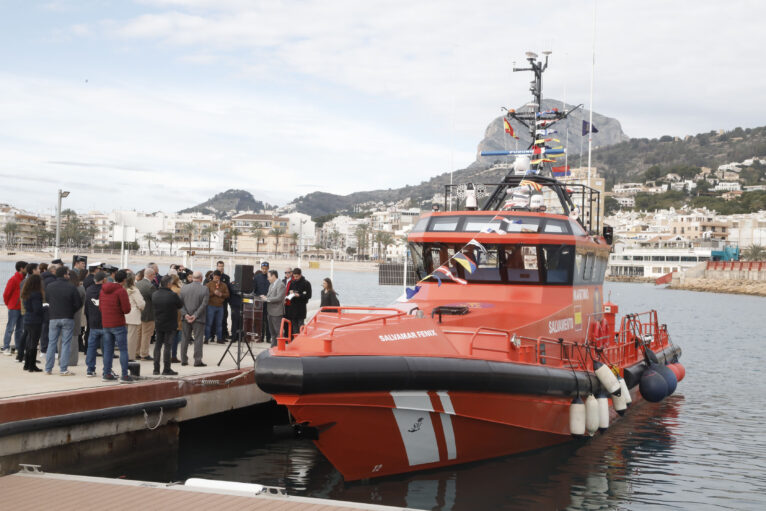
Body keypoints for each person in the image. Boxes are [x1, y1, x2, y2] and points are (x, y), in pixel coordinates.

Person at [44, 266, 82, 376]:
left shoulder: (50, 286)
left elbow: (47, 299)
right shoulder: (71, 287)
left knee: (52, 343)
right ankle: (63, 369)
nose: (69, 275)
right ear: (65, 275)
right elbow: (78, 303)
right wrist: (71, 311)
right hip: (67, 317)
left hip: (53, 317)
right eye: (68, 274)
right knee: (65, 343)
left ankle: (48, 368)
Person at [99, 269, 132, 383]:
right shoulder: (121, 291)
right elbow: (126, 309)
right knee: (123, 349)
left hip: (106, 323)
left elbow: (100, 307)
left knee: (108, 350)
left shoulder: (103, 290)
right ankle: (124, 375)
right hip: (118, 323)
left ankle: (106, 373)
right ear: (124, 280)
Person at [152, 275, 182, 375]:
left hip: (159, 322)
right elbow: (180, 305)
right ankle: (166, 368)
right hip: (170, 323)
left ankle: (156, 369)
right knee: (167, 346)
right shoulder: (172, 295)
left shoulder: (155, 294)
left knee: (158, 345)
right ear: (169, 284)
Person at [180, 271, 208, 367]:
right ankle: (197, 361)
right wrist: (195, 315)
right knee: (198, 339)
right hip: (199, 319)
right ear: (201, 278)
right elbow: (203, 305)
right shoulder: (204, 289)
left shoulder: (184, 288)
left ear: (192, 278)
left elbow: (180, 304)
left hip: (185, 318)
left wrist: (186, 314)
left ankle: (183, 360)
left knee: (184, 338)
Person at [2, 260, 27, 356]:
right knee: (10, 328)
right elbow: (6, 294)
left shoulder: (25, 279)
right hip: (14, 308)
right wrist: (9, 304)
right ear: (21, 268)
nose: (27, 269)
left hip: (22, 307)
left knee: (20, 329)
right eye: (26, 267)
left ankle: (18, 347)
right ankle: (6, 347)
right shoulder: (13, 279)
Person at [20, 274, 44, 372]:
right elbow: (37, 309)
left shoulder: (26, 292)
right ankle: (32, 365)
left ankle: (27, 364)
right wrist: (45, 308)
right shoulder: (36, 293)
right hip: (35, 320)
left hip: (27, 319)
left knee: (29, 341)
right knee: (34, 343)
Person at [84, 271, 106, 377]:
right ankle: (107, 369)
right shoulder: (105, 290)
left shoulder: (89, 290)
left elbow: (87, 307)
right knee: (106, 347)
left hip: (93, 322)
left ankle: (90, 369)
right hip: (104, 322)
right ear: (103, 280)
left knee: (91, 347)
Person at [135, 266, 156, 360]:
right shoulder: (150, 286)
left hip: (138, 312)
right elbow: (155, 299)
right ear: (151, 275)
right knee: (146, 334)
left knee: (138, 334)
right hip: (148, 313)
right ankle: (144, 353)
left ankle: (137, 352)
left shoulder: (137, 284)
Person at [284, 267, 311, 339]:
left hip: (301, 308)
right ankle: (295, 341)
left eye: (297, 276)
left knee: (300, 325)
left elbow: (309, 295)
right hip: (293, 308)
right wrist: (290, 293)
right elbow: (289, 292)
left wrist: (299, 295)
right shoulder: (292, 283)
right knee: (294, 326)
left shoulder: (306, 283)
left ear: (300, 275)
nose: (295, 278)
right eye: (294, 276)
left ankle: (301, 340)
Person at [260, 270, 285, 347]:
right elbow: (269, 296)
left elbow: (279, 298)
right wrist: (264, 297)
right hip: (270, 312)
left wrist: (267, 299)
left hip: (277, 312)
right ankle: (273, 348)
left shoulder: (281, 285)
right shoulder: (271, 285)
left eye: (269, 277)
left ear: (274, 276)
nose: (268, 278)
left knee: (279, 332)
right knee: (272, 333)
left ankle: (280, 348)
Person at [123, 273, 145, 361]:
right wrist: (141, 308)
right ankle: (130, 357)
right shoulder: (134, 290)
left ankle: (124, 355)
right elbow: (141, 303)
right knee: (131, 338)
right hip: (133, 314)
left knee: (123, 337)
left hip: (123, 314)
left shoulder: (122, 289)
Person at [204, 270, 229, 344]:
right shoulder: (208, 284)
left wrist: (221, 294)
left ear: (220, 277)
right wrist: (213, 293)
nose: (216, 278)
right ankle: (206, 338)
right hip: (210, 306)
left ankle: (219, 338)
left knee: (219, 323)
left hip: (220, 306)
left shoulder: (224, 285)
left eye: (218, 277)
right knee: (209, 323)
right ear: (213, 276)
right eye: (215, 277)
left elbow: (227, 294)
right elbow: (205, 295)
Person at [253, 261, 271, 343]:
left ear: (268, 269)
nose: (264, 270)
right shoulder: (257, 277)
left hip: (268, 302)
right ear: (261, 268)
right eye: (263, 269)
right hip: (259, 302)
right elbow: (254, 289)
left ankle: (268, 338)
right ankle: (260, 337)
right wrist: (258, 297)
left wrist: (267, 297)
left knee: (268, 320)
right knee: (260, 320)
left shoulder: (270, 277)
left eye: (266, 269)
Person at [215, 261, 232, 341]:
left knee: (224, 318)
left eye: (222, 266)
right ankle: (214, 335)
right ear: (217, 266)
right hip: (214, 301)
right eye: (219, 266)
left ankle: (224, 335)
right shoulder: (213, 276)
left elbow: (228, 289)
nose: (221, 268)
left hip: (223, 301)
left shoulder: (226, 277)